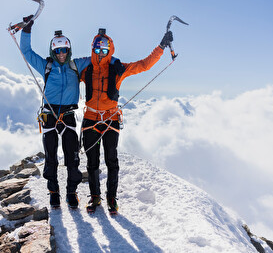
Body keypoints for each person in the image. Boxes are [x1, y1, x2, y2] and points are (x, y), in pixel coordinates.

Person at [81, 28, 174, 214]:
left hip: (110, 119)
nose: (101, 53)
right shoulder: (85, 69)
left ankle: (111, 198)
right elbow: (64, 75)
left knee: (111, 160)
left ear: (110, 50)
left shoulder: (118, 68)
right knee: (92, 162)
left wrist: (162, 46)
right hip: (91, 119)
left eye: (104, 49)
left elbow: (144, 65)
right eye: (97, 49)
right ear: (93, 49)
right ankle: (95, 197)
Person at [19, 15, 91, 209]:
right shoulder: (46, 66)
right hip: (49, 114)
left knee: (72, 156)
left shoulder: (76, 65)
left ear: (69, 50)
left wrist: (104, 43)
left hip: (68, 114)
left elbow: (99, 59)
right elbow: (26, 51)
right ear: (53, 50)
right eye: (57, 50)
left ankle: (71, 192)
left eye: (64, 50)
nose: (61, 53)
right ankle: (54, 192)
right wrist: (27, 29)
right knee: (51, 156)